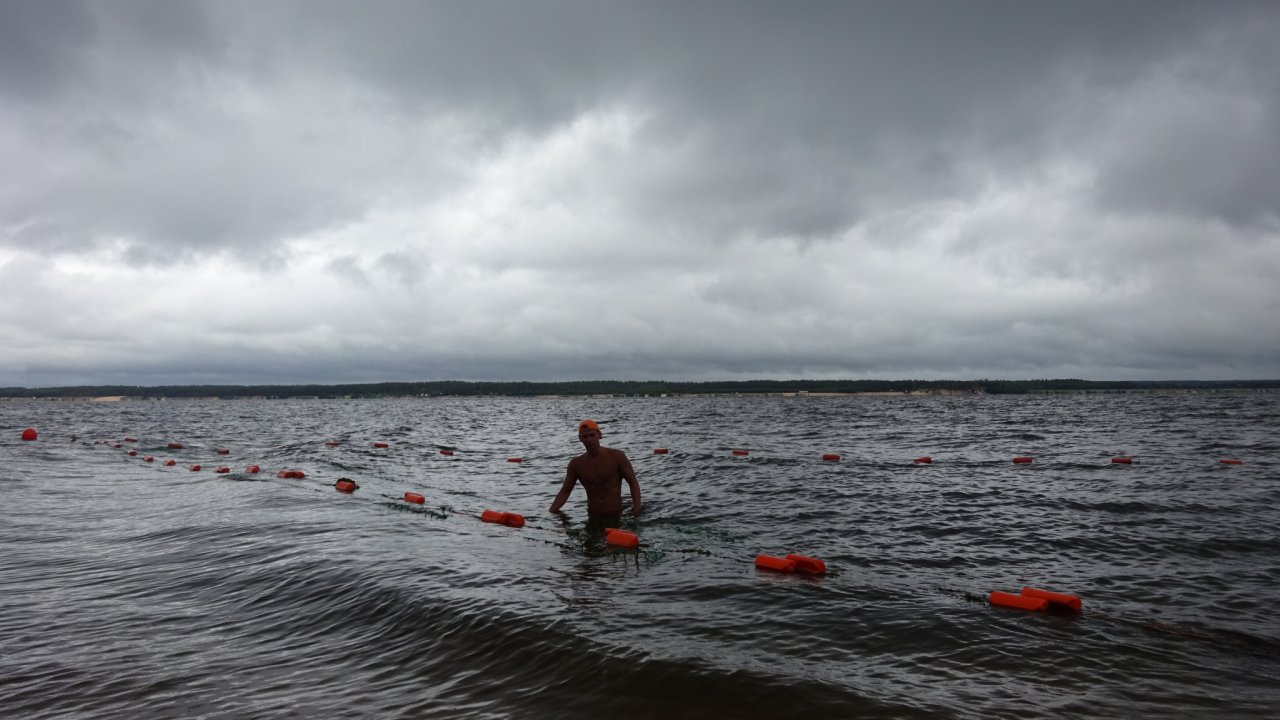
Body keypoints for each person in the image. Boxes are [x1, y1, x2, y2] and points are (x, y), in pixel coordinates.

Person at [549, 419, 642, 517]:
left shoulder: (617, 456)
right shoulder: (576, 464)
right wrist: (550, 513)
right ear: (580, 439)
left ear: (600, 435)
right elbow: (565, 491)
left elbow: (633, 482)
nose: (589, 440)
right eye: (585, 436)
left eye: (592, 435)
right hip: (593, 516)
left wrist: (637, 509)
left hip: (616, 514)